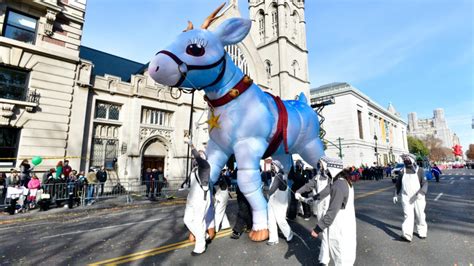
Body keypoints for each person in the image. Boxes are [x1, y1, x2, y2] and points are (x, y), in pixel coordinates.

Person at [296, 156, 344, 265]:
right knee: (325, 235)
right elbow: (309, 185)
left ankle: (328, 259)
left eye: (321, 163)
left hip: (331, 208)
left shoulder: (333, 178)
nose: (319, 165)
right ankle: (324, 258)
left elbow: (329, 193)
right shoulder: (317, 176)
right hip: (320, 206)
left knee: (331, 234)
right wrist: (299, 192)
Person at [306, 167, 356, 266]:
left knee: (340, 255)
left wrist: (317, 229)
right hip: (348, 224)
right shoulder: (344, 181)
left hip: (340, 226)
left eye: (328, 170)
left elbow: (332, 211)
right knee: (346, 255)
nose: (326, 172)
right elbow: (326, 191)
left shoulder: (338, 185)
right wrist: (312, 198)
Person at [183, 137, 211, 256]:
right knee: (187, 220)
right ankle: (203, 235)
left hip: (201, 199)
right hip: (192, 198)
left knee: (199, 222)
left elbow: (198, 158)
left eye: (201, 154)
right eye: (198, 154)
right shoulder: (194, 169)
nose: (198, 155)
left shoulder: (205, 166)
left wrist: (191, 145)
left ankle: (200, 247)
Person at [393, 154, 428, 242]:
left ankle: (422, 232)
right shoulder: (402, 172)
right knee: (408, 215)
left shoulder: (419, 170)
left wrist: (422, 192)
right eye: (404, 159)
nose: (406, 160)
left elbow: (425, 183)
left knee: (420, 215)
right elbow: (398, 185)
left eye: (407, 159)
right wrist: (395, 194)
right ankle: (407, 234)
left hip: (417, 196)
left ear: (412, 160)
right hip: (406, 196)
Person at [267, 160, 293, 246]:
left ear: (277, 166)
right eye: (271, 166)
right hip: (272, 201)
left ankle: (289, 234)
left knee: (280, 220)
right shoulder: (275, 176)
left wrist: (267, 192)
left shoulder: (279, 176)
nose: (271, 167)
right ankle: (273, 239)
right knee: (271, 220)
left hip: (279, 202)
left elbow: (273, 188)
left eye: (273, 166)